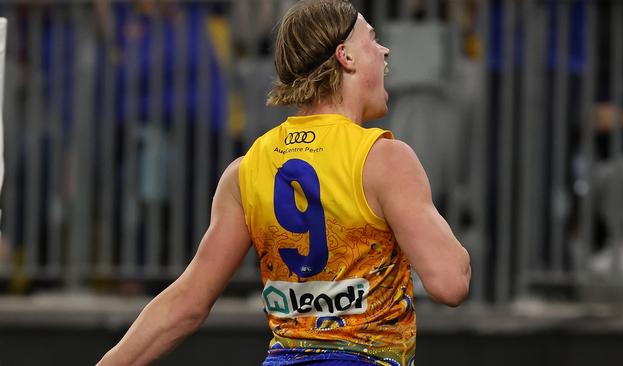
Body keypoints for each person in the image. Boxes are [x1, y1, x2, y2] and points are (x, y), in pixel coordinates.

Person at [97, 0, 471, 365]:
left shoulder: (245, 171)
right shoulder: (384, 159)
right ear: (346, 56)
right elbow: (450, 283)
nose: (384, 50)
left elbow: (187, 303)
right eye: (372, 39)